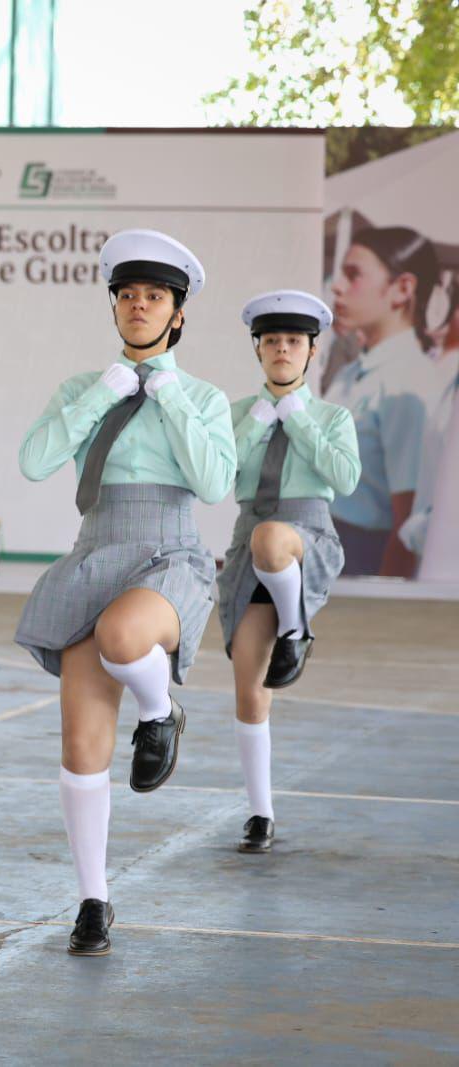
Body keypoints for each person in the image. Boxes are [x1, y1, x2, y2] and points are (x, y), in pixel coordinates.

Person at [14, 229, 235, 955]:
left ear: (177, 314)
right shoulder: (83, 389)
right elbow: (35, 460)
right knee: (81, 745)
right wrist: (103, 393)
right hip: (96, 548)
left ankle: (161, 706)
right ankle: (92, 899)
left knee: (122, 636)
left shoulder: (201, 396)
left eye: (156, 297)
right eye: (128, 295)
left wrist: (164, 393)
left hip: (170, 550)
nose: (139, 305)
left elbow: (212, 483)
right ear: (115, 306)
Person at [217, 290, 360, 854]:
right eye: (272, 341)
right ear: (259, 351)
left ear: (311, 352)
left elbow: (344, 479)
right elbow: (219, 472)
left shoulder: (332, 416)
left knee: (271, 539)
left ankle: (297, 629)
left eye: (293, 341)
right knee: (251, 691)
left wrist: (297, 418)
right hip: (248, 538)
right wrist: (258, 418)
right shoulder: (233, 413)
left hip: (305, 533)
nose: (282, 349)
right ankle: (260, 814)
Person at [325, 226, 448, 577]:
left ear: (403, 288)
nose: (338, 286)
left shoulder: (409, 383)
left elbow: (407, 518)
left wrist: (384, 603)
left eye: (354, 275)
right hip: (326, 548)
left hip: (364, 557)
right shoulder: (352, 373)